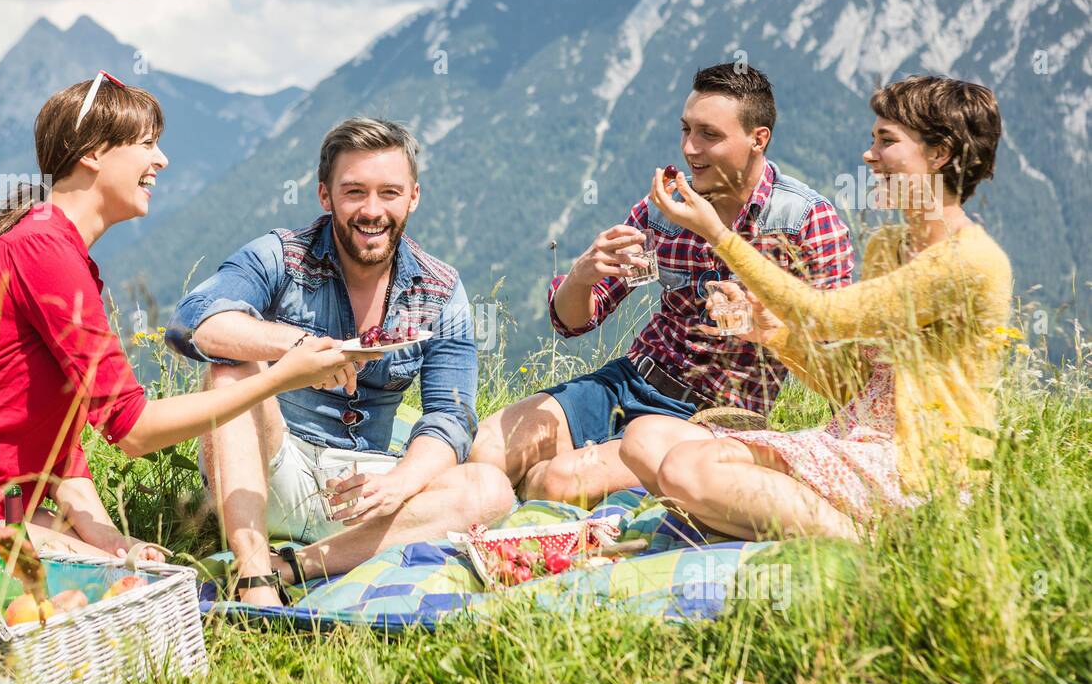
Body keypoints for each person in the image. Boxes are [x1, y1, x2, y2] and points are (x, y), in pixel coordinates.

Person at [0, 73, 356, 570]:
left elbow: (63, 456)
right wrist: (281, 376)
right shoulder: (43, 250)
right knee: (123, 584)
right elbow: (134, 430)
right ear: (92, 153)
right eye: (147, 144)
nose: (161, 160)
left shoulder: (58, 252)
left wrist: (113, 542)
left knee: (126, 569)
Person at [619, 75, 1013, 541]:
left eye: (886, 141)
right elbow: (852, 383)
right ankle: (772, 523)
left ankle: (866, 550)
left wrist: (719, 237)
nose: (869, 155)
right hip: (855, 442)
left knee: (687, 469)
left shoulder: (968, 262)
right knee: (645, 440)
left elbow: (820, 314)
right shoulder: (893, 246)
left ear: (939, 154)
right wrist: (773, 335)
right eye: (872, 139)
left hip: (919, 467)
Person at [166, 116, 515, 606]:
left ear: (413, 196)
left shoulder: (441, 288)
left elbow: (450, 416)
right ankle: (253, 577)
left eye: (389, 193)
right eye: (354, 192)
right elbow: (189, 324)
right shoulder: (281, 255)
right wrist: (298, 348)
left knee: (491, 489)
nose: (372, 211)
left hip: (365, 491)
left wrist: (401, 483)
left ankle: (294, 566)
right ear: (325, 196)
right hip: (269, 469)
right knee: (229, 369)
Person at [469, 63, 854, 506]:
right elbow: (573, 322)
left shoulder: (804, 221)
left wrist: (767, 323)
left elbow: (836, 354)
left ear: (758, 139)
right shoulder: (664, 210)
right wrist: (582, 273)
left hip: (712, 416)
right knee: (488, 449)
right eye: (686, 129)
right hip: (631, 380)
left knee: (556, 482)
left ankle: (534, 521)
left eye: (709, 134)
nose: (690, 148)